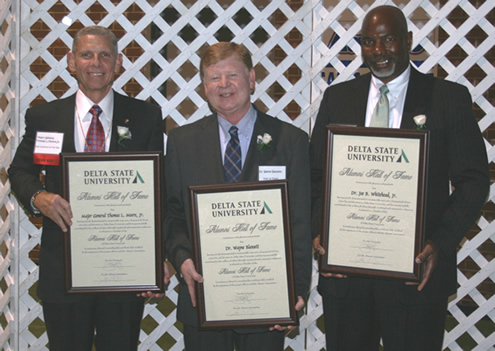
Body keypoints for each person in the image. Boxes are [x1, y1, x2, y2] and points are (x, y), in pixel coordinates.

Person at [310, 5, 489, 351]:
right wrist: (322, 231)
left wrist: (440, 242)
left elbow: (473, 180)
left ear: (408, 40)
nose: (378, 51)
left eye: (389, 40)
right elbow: (316, 176)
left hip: (416, 276)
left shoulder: (448, 99)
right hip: (347, 278)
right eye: (369, 42)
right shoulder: (338, 98)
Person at [8, 26, 164, 350]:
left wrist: (156, 256)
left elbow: (157, 190)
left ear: (118, 63)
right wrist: (40, 197)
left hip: (123, 271)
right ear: (71, 61)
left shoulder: (146, 117)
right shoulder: (45, 117)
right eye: (86, 54)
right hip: (63, 270)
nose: (96, 62)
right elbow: (20, 170)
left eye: (105, 55)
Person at [164, 42, 312, 350]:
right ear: (204, 86)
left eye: (232, 74)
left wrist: (295, 290)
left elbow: (299, 221)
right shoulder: (182, 142)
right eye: (213, 78)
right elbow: (172, 213)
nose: (223, 85)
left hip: (267, 300)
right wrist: (182, 259)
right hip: (203, 297)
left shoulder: (291, 142)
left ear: (252, 78)